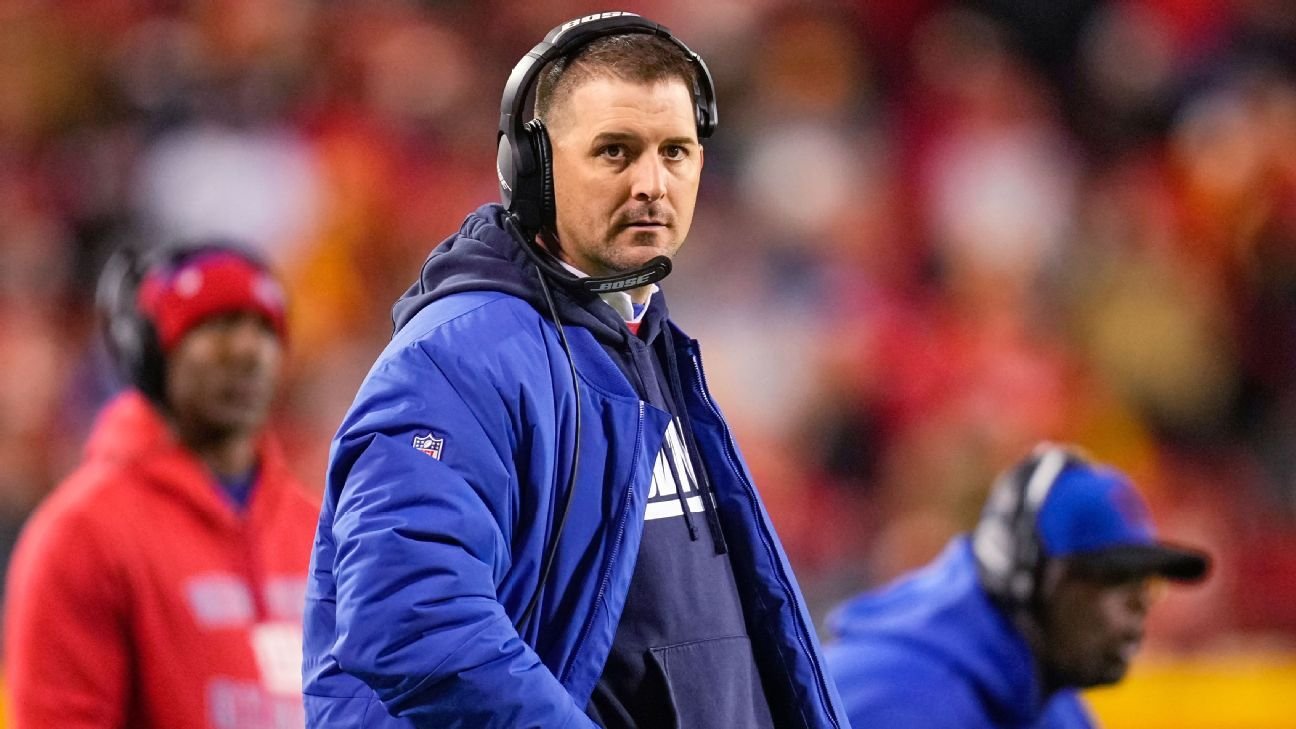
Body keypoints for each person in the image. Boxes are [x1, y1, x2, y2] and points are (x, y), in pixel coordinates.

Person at [301, 12, 849, 729]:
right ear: (533, 170)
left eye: (675, 152)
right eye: (615, 151)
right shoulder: (458, 360)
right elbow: (411, 620)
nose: (652, 184)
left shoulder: (646, 343)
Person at [4, 242, 320, 729]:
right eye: (216, 326)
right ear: (151, 352)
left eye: (264, 328)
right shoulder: (82, 534)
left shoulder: (314, 528)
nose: (247, 351)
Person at [822, 443, 1212, 728]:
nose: (1138, 605)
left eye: (1145, 584)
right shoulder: (903, 702)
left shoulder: (1049, 701)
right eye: (1114, 579)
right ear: (1029, 577)